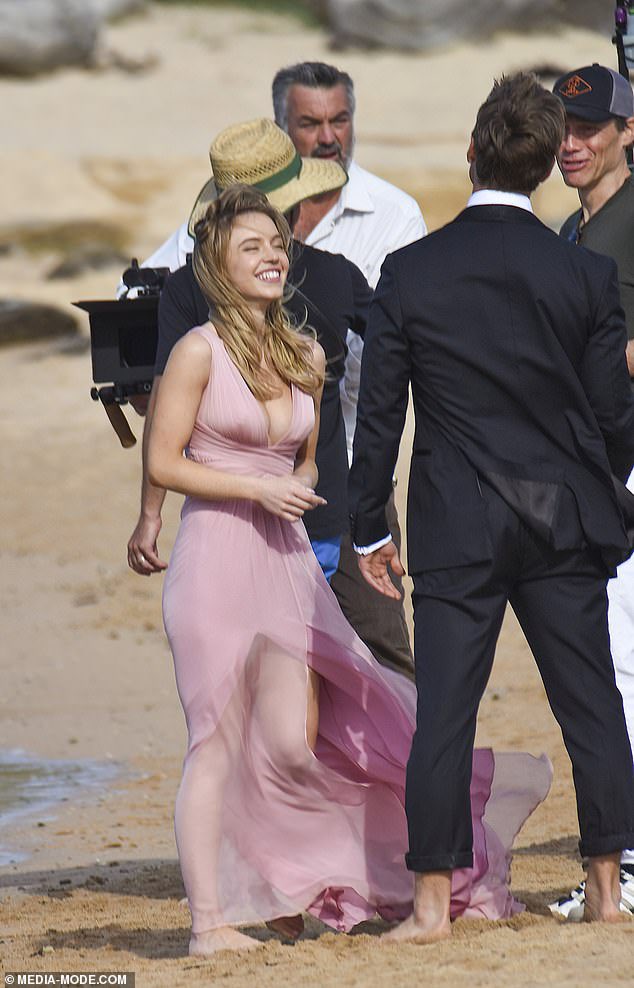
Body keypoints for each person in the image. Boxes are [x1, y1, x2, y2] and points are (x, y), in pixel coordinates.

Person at [147, 182, 552, 956]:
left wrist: (293, 492)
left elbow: (304, 462)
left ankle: (297, 879)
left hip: (287, 565)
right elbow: (166, 462)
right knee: (215, 742)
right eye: (250, 248)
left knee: (293, 746)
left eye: (276, 244)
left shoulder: (303, 352)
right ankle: (207, 925)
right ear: (215, 266)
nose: (270, 258)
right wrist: (255, 485)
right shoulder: (197, 349)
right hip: (215, 566)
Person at [349, 72, 634, 942]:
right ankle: (609, 892)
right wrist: (597, 490)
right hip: (561, 521)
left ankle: (432, 907)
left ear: (470, 154)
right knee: (590, 704)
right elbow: (612, 418)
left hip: (455, 522)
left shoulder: (410, 269)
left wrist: (370, 527)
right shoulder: (583, 271)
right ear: (550, 165)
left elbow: (380, 414)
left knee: (444, 712)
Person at [126, 119, 373, 590]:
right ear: (297, 200)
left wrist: (150, 513)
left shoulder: (184, 286)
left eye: (274, 246)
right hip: (318, 519)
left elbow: (159, 404)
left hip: (244, 525)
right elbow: (398, 350)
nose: (272, 259)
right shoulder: (340, 278)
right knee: (365, 652)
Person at [272, 61, 427, 677]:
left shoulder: (395, 215)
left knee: (381, 648)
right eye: (310, 123)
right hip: (252, 483)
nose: (328, 137)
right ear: (282, 127)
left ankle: (413, 774)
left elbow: (410, 342)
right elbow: (149, 294)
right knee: (272, 661)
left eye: (340, 120)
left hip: (358, 470)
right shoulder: (235, 219)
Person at [548, 62, 634, 919]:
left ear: (626, 132)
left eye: (588, 130)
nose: (571, 145)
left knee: (624, 661)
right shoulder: (567, 239)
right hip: (595, 472)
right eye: (562, 130)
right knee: (612, 660)